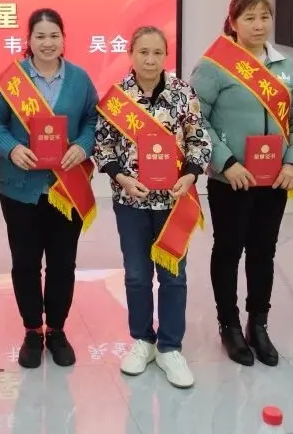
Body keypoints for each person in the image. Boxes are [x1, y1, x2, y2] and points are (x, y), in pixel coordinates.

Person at [190, 0, 293, 367]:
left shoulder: (286, 68)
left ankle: (258, 323)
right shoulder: (214, 66)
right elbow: (195, 120)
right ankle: (228, 325)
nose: (259, 25)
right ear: (233, 23)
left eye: (264, 17)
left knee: (264, 251)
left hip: (275, 179)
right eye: (249, 18)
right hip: (231, 179)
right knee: (228, 250)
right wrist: (225, 162)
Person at [93, 27, 211, 388]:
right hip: (131, 200)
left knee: (174, 275)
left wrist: (190, 175)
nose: (149, 60)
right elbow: (103, 146)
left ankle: (170, 347)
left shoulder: (182, 93)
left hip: (174, 201)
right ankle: (142, 340)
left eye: (157, 53)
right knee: (136, 274)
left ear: (166, 56)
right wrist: (121, 178)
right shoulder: (117, 98)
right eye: (143, 52)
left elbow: (199, 139)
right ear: (131, 53)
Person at [0, 7, 99, 369]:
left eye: (54, 36)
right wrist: (11, 148)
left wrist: (83, 146)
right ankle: (33, 330)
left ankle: (57, 330)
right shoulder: (11, 80)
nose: (47, 43)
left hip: (67, 188)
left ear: (63, 39)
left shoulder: (80, 79)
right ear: (29, 40)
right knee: (25, 262)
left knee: (63, 263)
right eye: (40, 36)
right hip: (20, 189)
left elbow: (94, 120)